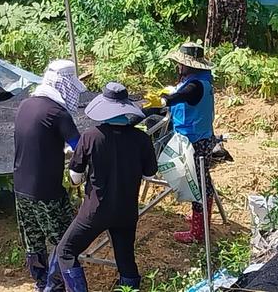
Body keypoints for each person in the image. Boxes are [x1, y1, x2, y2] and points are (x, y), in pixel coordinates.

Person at [52, 82, 158, 292]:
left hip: (95, 211)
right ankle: (130, 288)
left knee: (66, 251)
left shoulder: (91, 137)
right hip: (126, 210)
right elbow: (150, 173)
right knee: (125, 259)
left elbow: (75, 176)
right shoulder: (141, 139)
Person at [13, 59, 86, 292]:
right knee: (64, 240)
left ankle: (40, 282)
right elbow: (80, 148)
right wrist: (79, 174)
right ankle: (56, 286)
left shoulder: (25, 105)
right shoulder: (57, 113)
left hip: (21, 187)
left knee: (33, 240)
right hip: (47, 191)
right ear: (64, 85)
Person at [153, 43, 217, 244]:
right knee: (201, 180)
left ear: (189, 66)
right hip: (202, 136)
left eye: (181, 64)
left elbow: (181, 96)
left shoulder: (194, 86)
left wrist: (164, 99)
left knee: (196, 184)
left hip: (195, 140)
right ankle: (202, 219)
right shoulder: (203, 81)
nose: (179, 67)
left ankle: (198, 232)